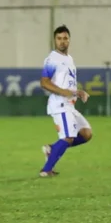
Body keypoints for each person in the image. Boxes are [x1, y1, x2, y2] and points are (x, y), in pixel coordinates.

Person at [39, 25, 92, 177]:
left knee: (86, 134)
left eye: (65, 38)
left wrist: (78, 92)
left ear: (69, 40)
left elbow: (68, 84)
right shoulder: (52, 59)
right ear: (54, 40)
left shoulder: (69, 59)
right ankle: (46, 170)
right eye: (59, 38)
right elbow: (44, 82)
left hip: (70, 105)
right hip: (60, 104)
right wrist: (64, 93)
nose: (62, 41)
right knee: (68, 137)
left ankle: (52, 149)